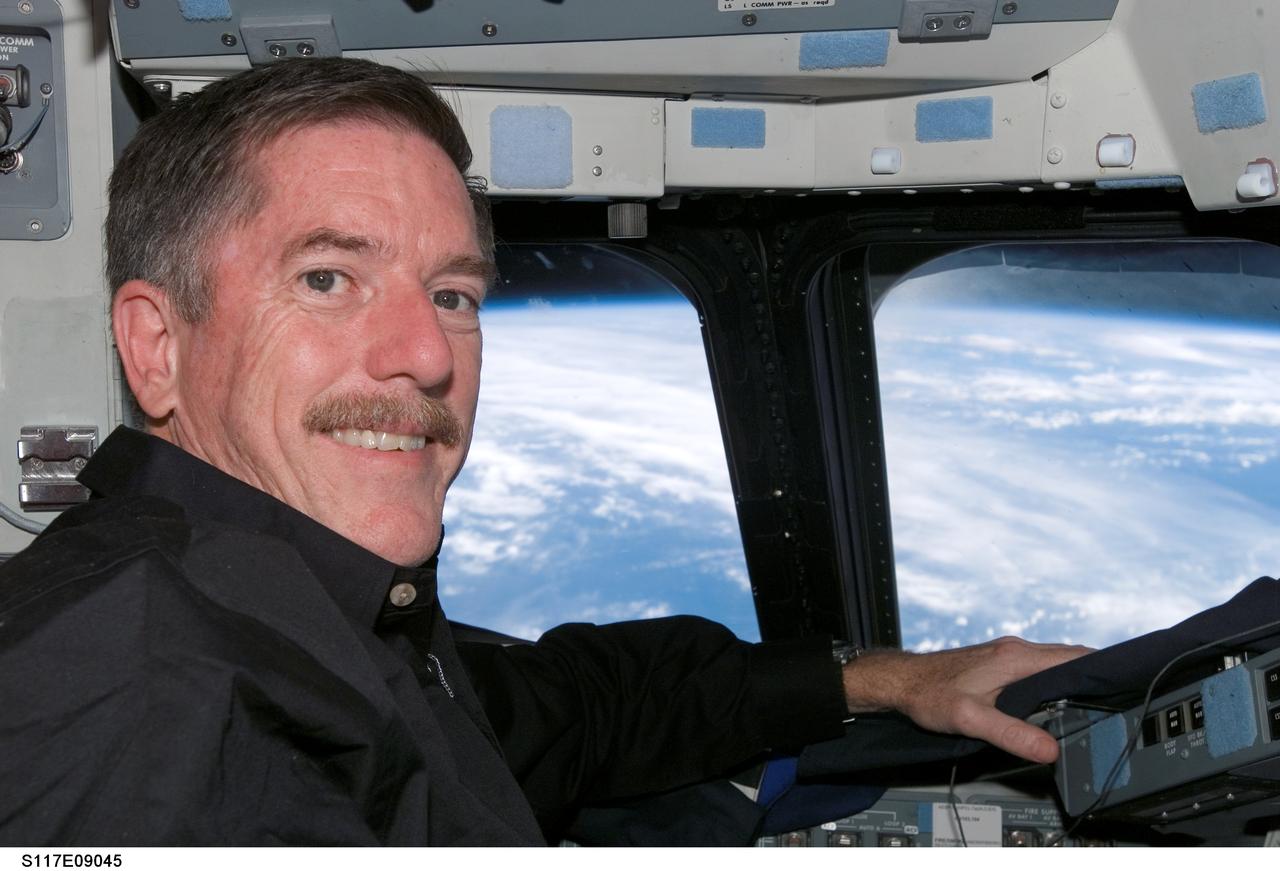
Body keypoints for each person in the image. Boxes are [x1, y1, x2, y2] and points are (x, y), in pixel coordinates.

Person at [0, 57, 1085, 845]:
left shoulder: (298, 609)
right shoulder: (139, 699)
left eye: (453, 294)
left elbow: (569, 707)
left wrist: (890, 678)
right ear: (157, 346)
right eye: (327, 278)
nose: (425, 353)